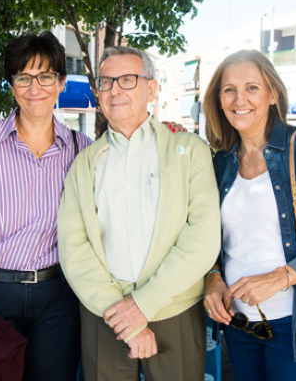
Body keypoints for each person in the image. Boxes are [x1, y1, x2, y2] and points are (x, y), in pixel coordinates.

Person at [57, 46, 221, 381]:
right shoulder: (84, 164)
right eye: (105, 82)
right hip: (105, 314)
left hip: (174, 307)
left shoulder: (188, 151)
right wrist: (120, 315)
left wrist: (144, 303)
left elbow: (203, 237)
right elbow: (74, 249)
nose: (115, 89)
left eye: (127, 80)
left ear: (151, 88)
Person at [202, 49, 296, 381]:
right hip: (239, 324)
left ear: (272, 93)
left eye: (252, 87)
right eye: (229, 89)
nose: (239, 99)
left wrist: (281, 277)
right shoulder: (220, 163)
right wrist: (213, 277)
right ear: (218, 99)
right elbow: (213, 241)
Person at [0, 31, 92, 381]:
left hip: (58, 296)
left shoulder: (82, 149)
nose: (34, 88)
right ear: (12, 86)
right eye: (23, 78)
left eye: (45, 77)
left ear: (60, 82)